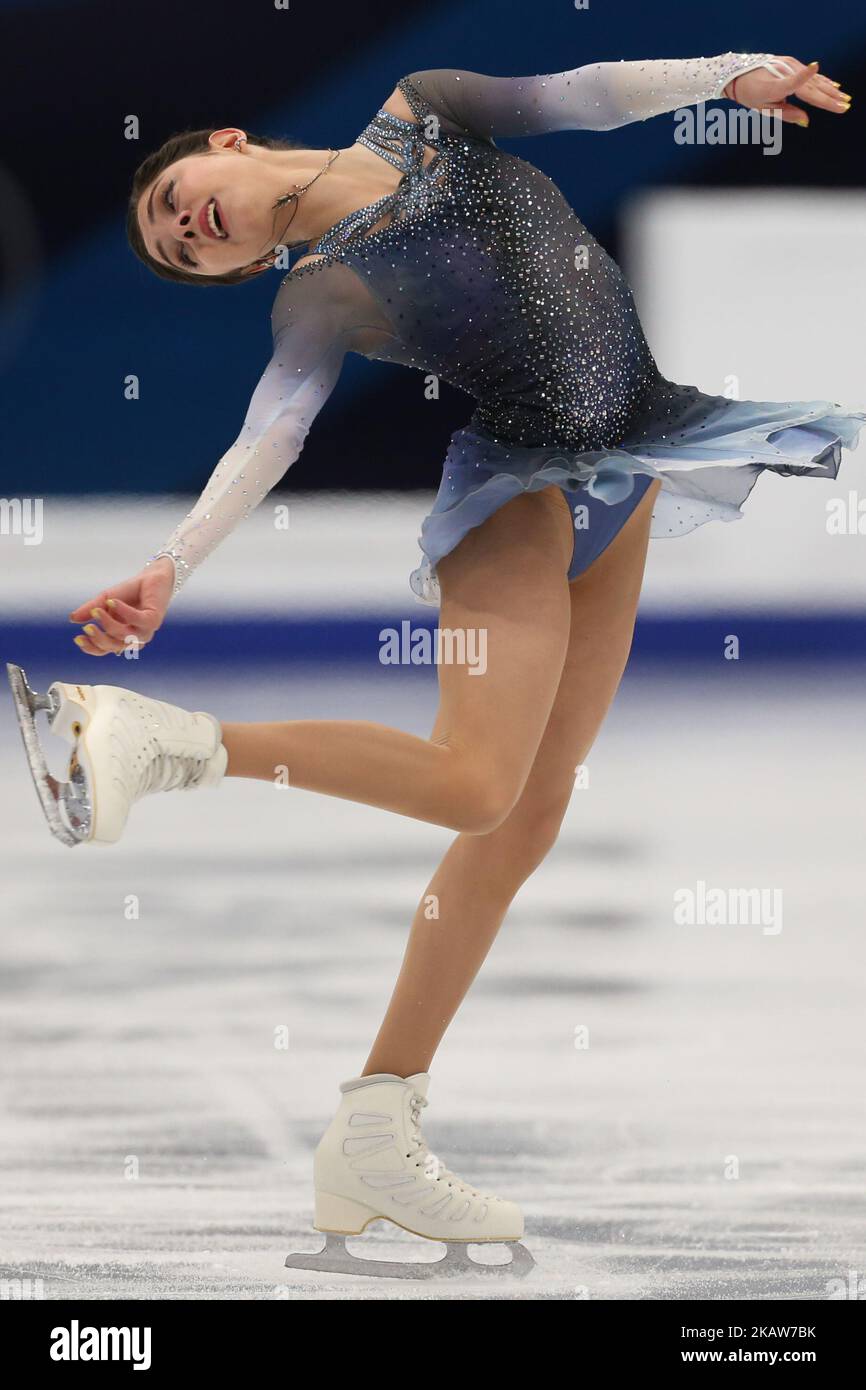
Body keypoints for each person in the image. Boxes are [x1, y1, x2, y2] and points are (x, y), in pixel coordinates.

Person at [17, 52, 861, 1273]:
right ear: (242, 269)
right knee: (475, 782)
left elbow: (580, 93)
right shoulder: (313, 296)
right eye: (180, 253)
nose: (185, 231)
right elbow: (272, 431)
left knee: (524, 815)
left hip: (632, 454)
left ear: (228, 143)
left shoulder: (422, 107)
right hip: (520, 493)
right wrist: (171, 564)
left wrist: (722, 76)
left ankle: (374, 1125)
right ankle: (164, 741)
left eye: (174, 205)